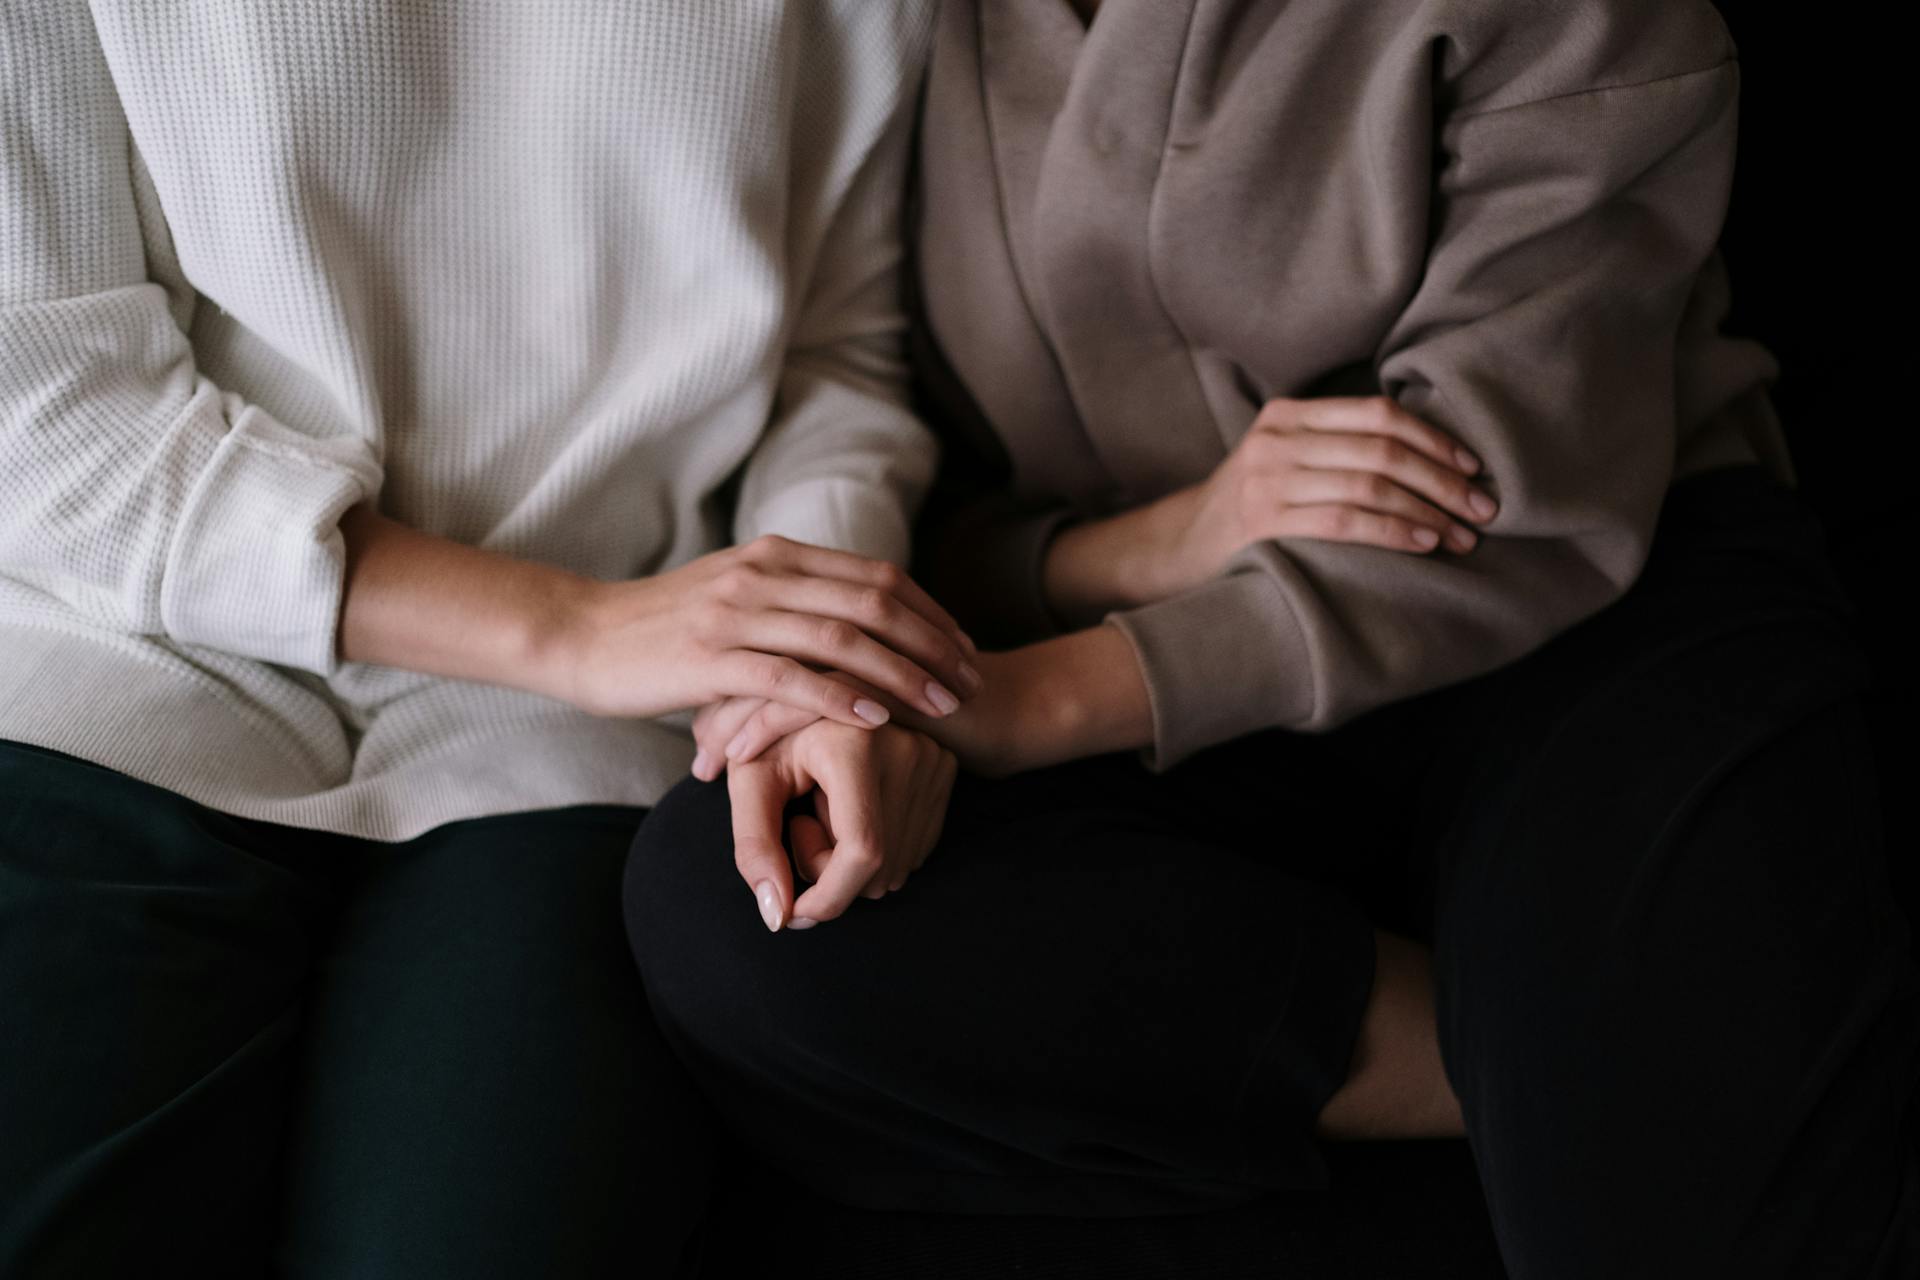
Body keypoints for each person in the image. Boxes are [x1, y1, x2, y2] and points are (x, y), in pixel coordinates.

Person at [624, 1, 1920, 1276]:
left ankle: (1610, 1100)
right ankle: (1555, 1088)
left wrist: (1018, 703)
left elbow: (1517, 497)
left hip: (1592, 604)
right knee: (742, 890)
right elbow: (928, 485)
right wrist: (1172, 537)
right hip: (1143, 637)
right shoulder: (891, 32)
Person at [0, 4, 970, 1275]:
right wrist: (568, 625)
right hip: (112, 670)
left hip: (582, 738)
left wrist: (817, 667)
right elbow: (41, 400)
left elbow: (834, 369)